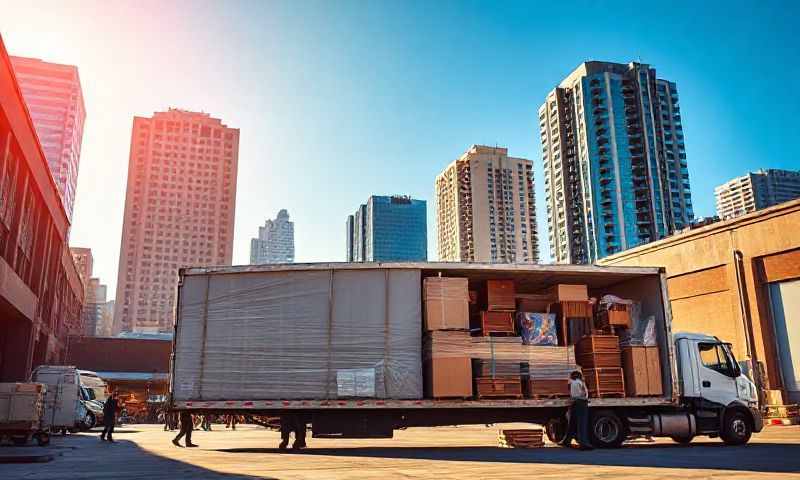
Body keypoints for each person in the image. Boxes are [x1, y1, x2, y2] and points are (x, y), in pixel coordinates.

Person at [560, 370, 593, 450]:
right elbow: (584, 393)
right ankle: (584, 444)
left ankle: (566, 440)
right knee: (582, 424)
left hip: (574, 403)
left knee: (572, 423)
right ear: (579, 376)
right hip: (581, 403)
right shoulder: (579, 383)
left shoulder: (571, 383)